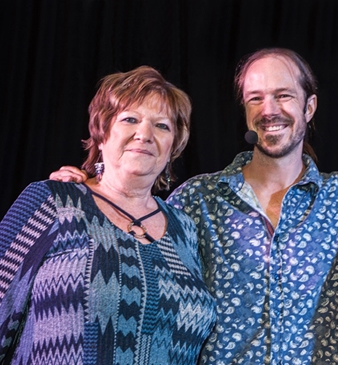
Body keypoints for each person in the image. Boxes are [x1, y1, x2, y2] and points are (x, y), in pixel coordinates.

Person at [48, 49, 338, 364]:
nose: (269, 108)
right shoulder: (194, 200)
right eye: (256, 98)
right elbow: (133, 230)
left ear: (309, 107)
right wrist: (90, 183)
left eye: (283, 95)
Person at [0, 66, 216, 364]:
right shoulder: (53, 200)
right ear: (102, 134)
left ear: (173, 148)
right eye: (130, 119)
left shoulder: (185, 230)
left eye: (162, 126)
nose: (145, 134)